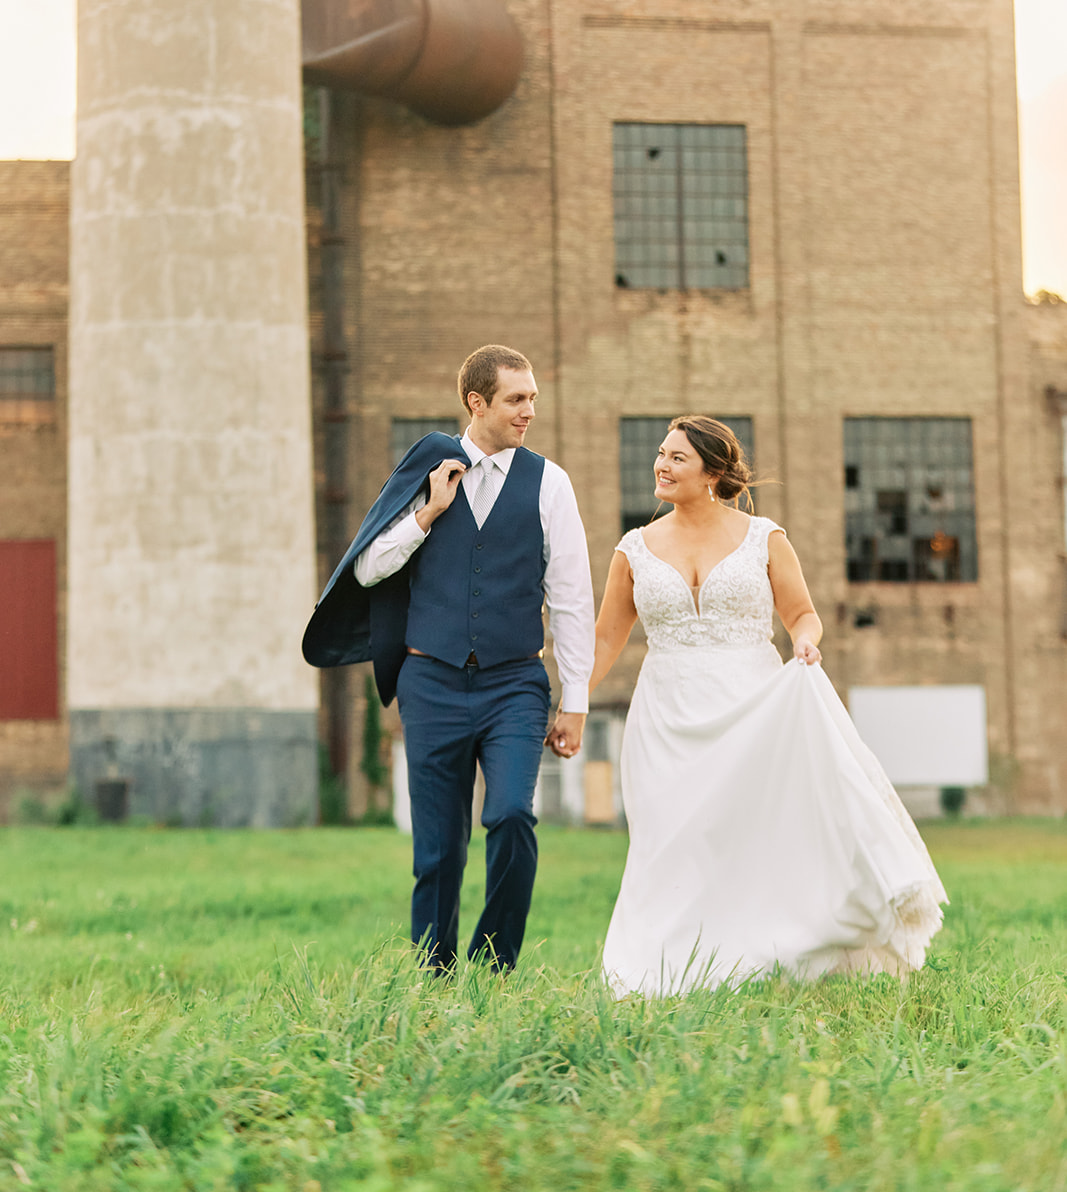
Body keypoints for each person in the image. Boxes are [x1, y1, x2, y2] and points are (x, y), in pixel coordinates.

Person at [591, 415, 947, 997]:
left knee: (746, 837)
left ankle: (756, 956)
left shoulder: (764, 537)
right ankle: (656, 970)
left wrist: (806, 641)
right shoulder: (633, 549)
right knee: (668, 841)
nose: (661, 464)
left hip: (751, 707)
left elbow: (802, 614)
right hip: (666, 716)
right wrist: (569, 705)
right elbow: (607, 639)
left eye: (677, 457)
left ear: (712, 471)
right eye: (660, 453)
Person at [308, 344, 594, 974]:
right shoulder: (425, 469)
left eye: (533, 399)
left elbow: (572, 598)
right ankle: (433, 977)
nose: (529, 412)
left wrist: (575, 701)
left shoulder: (551, 483)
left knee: (513, 814)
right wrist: (426, 514)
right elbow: (367, 567)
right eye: (516, 399)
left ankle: (494, 968)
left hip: (515, 681)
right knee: (437, 850)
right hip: (431, 682)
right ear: (477, 402)